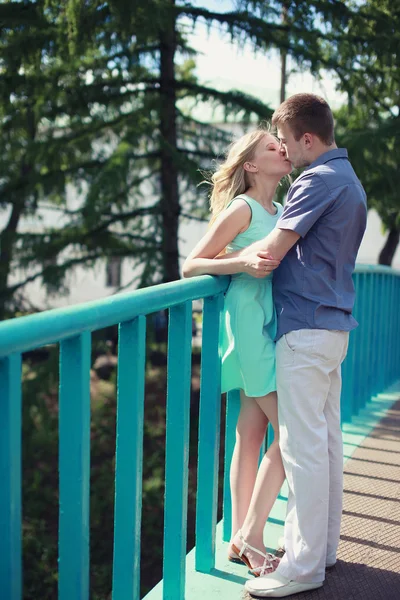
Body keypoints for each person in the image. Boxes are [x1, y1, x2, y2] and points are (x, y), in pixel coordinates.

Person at [223, 94, 367, 598]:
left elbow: (273, 251)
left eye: (285, 141)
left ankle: (302, 568)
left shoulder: (316, 180)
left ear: (308, 139)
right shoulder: (349, 180)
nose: (285, 152)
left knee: (302, 450)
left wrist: (229, 258)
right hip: (332, 330)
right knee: (324, 446)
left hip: (304, 330)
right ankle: (320, 551)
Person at [182, 127, 292, 576]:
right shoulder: (243, 208)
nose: (282, 149)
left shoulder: (281, 209)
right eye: (272, 147)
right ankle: (251, 536)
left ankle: (236, 540)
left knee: (250, 434)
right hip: (247, 330)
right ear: (250, 165)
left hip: (268, 327)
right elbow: (191, 265)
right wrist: (241, 263)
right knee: (293, 436)